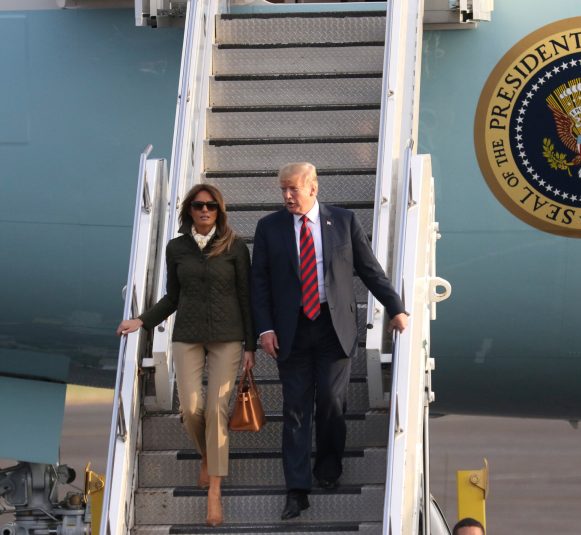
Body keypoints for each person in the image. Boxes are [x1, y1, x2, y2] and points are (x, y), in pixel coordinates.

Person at [251, 162, 408, 520]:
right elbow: (259, 282)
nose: (287, 196)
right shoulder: (269, 228)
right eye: (283, 190)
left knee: (332, 403)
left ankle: (328, 466)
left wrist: (396, 308)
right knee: (294, 408)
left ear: (313, 188)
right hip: (290, 330)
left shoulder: (343, 222)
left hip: (333, 326)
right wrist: (264, 329)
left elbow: (369, 269)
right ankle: (297, 489)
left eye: (293, 189)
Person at [116, 183, 255, 527]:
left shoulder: (235, 247)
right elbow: (172, 297)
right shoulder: (176, 248)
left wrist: (250, 345)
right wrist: (141, 320)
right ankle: (208, 454)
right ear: (189, 211)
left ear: (219, 211)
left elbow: (247, 298)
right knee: (191, 407)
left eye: (211, 206)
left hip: (228, 336)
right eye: (198, 206)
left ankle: (214, 492)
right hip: (188, 336)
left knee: (216, 408)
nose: (205, 211)